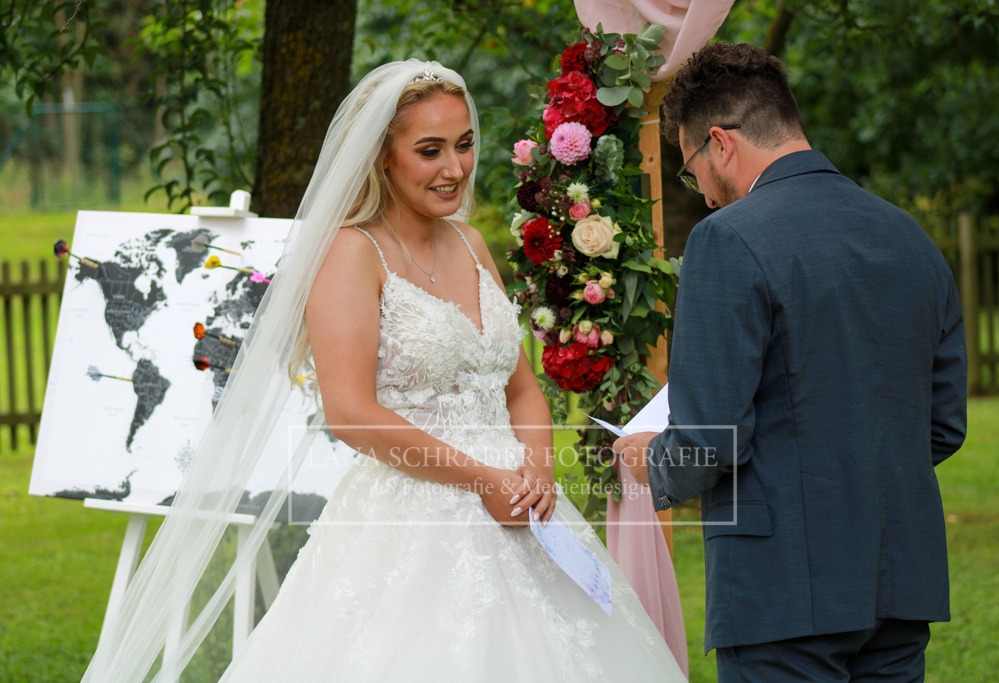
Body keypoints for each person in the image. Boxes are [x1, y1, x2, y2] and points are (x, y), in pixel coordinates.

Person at [84, 60, 687, 682]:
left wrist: (533, 471)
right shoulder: (349, 254)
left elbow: (519, 387)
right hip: (414, 512)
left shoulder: (470, 244)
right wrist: (482, 478)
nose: (454, 168)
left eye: (464, 145)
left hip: (521, 504)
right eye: (430, 151)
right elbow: (350, 413)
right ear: (381, 158)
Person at [613, 42, 967, 682]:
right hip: (901, 582)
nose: (704, 194)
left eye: (691, 171)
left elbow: (708, 441)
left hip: (779, 590)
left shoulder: (726, 240)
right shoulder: (910, 238)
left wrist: (647, 458)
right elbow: (941, 428)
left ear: (720, 143)